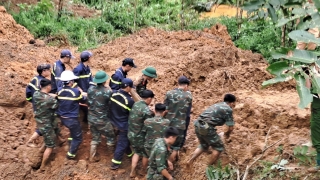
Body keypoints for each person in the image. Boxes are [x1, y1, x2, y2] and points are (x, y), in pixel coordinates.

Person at [186, 94, 236, 168]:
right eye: (234, 103)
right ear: (232, 102)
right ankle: (209, 168)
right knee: (218, 147)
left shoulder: (217, 105)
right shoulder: (228, 109)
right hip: (206, 126)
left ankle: (190, 160)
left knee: (204, 145)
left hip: (198, 123)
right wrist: (227, 134)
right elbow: (231, 128)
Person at [57, 70, 87, 159]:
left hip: (62, 117)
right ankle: (71, 155)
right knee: (78, 138)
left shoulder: (59, 90)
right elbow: (83, 100)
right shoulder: (75, 92)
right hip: (71, 119)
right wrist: (83, 94)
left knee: (73, 131)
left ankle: (70, 142)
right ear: (70, 82)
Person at [87, 70, 115, 162]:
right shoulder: (107, 91)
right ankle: (111, 155)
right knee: (111, 136)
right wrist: (109, 88)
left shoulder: (90, 89)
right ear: (104, 81)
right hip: (102, 120)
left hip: (91, 118)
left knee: (95, 138)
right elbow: (111, 102)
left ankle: (92, 157)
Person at [164, 76, 192, 161]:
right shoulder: (188, 95)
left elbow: (165, 109)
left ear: (178, 83)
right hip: (180, 125)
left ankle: (164, 162)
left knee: (167, 143)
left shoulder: (169, 93)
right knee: (176, 147)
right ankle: (170, 163)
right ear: (186, 86)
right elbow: (188, 112)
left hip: (168, 123)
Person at [32, 79, 58, 170]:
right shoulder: (50, 100)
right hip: (47, 124)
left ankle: (38, 149)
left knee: (49, 136)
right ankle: (43, 166)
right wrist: (55, 97)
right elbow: (56, 105)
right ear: (48, 87)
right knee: (50, 146)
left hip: (40, 121)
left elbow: (45, 95)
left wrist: (50, 95)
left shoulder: (36, 94)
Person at [128, 89, 155, 177]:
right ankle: (143, 171)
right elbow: (151, 123)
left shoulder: (136, 104)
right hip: (140, 136)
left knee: (136, 152)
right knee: (145, 154)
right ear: (149, 99)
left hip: (131, 134)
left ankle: (132, 171)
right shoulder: (146, 110)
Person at [110, 78, 135, 170]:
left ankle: (129, 153)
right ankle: (115, 163)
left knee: (124, 141)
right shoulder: (129, 101)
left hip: (113, 122)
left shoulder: (114, 94)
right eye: (131, 87)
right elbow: (132, 114)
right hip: (123, 125)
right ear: (128, 87)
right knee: (122, 143)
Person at [26, 64, 52, 147]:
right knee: (43, 126)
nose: (49, 71)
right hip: (40, 108)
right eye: (48, 69)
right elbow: (42, 95)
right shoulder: (40, 82)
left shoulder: (35, 79)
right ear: (43, 71)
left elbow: (28, 92)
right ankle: (30, 141)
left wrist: (31, 101)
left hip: (37, 106)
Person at [73, 50, 95, 123]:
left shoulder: (87, 68)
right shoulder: (78, 69)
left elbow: (90, 80)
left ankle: (86, 120)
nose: (92, 59)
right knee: (85, 108)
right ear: (88, 58)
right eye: (91, 57)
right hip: (82, 94)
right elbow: (73, 82)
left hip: (87, 91)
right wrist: (81, 91)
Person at [306, 73, 320, 173]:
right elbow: (307, 90)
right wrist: (307, 75)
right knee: (317, 137)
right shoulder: (311, 72)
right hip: (316, 108)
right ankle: (319, 164)